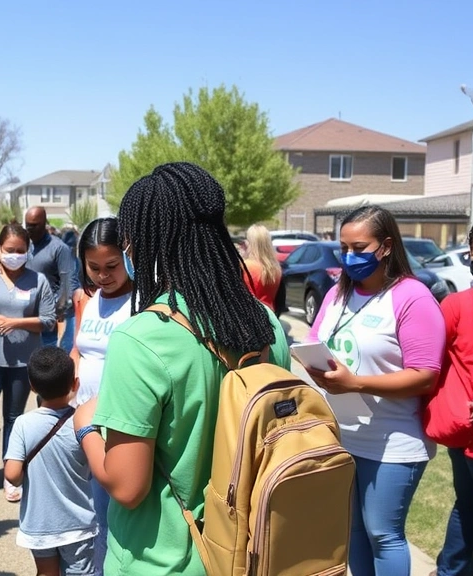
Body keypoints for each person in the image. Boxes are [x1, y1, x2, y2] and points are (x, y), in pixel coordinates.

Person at [73, 163, 290, 576]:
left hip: (161, 560)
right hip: (250, 553)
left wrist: (85, 425)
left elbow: (127, 487)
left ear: (146, 241)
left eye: (130, 241)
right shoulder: (267, 323)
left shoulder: (142, 339)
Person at [303, 205, 444, 576]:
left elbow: (425, 374)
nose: (349, 257)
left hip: (393, 442)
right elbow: (314, 340)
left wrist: (357, 383)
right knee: (352, 530)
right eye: (344, 248)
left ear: (385, 246)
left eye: (359, 248)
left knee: (383, 534)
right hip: (342, 435)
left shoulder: (412, 297)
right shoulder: (338, 293)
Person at [69, 217, 133, 574]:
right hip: (84, 420)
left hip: (117, 422)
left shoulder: (140, 302)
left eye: (111, 266)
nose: (103, 275)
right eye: (94, 267)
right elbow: (80, 350)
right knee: (95, 513)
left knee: (111, 515)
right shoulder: (89, 300)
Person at [0, 223, 57, 501]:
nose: (15, 255)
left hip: (24, 362)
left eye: (20, 251)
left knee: (13, 418)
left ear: (28, 251)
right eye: (9, 250)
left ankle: (12, 475)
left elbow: (48, 321)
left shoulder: (38, 281)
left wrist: (17, 322)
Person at [5, 346, 97, 576]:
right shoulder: (82, 421)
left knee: (46, 573)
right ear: (75, 385)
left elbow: (12, 475)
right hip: (79, 523)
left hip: (40, 523)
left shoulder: (24, 424)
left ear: (32, 386)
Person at [433, 222, 473, 576]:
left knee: (468, 505)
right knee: (467, 504)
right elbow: (429, 360)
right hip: (465, 434)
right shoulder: (456, 304)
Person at [24, 207, 76, 352]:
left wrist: (57, 310)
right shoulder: (26, 247)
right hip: (26, 317)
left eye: (34, 225)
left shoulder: (59, 248)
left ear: (44, 223)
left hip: (48, 321)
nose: (30, 229)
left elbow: (67, 283)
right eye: (27, 225)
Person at [241, 224, 283, 312]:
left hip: (250, 315)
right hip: (270, 316)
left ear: (250, 243)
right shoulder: (276, 268)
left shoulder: (245, 266)